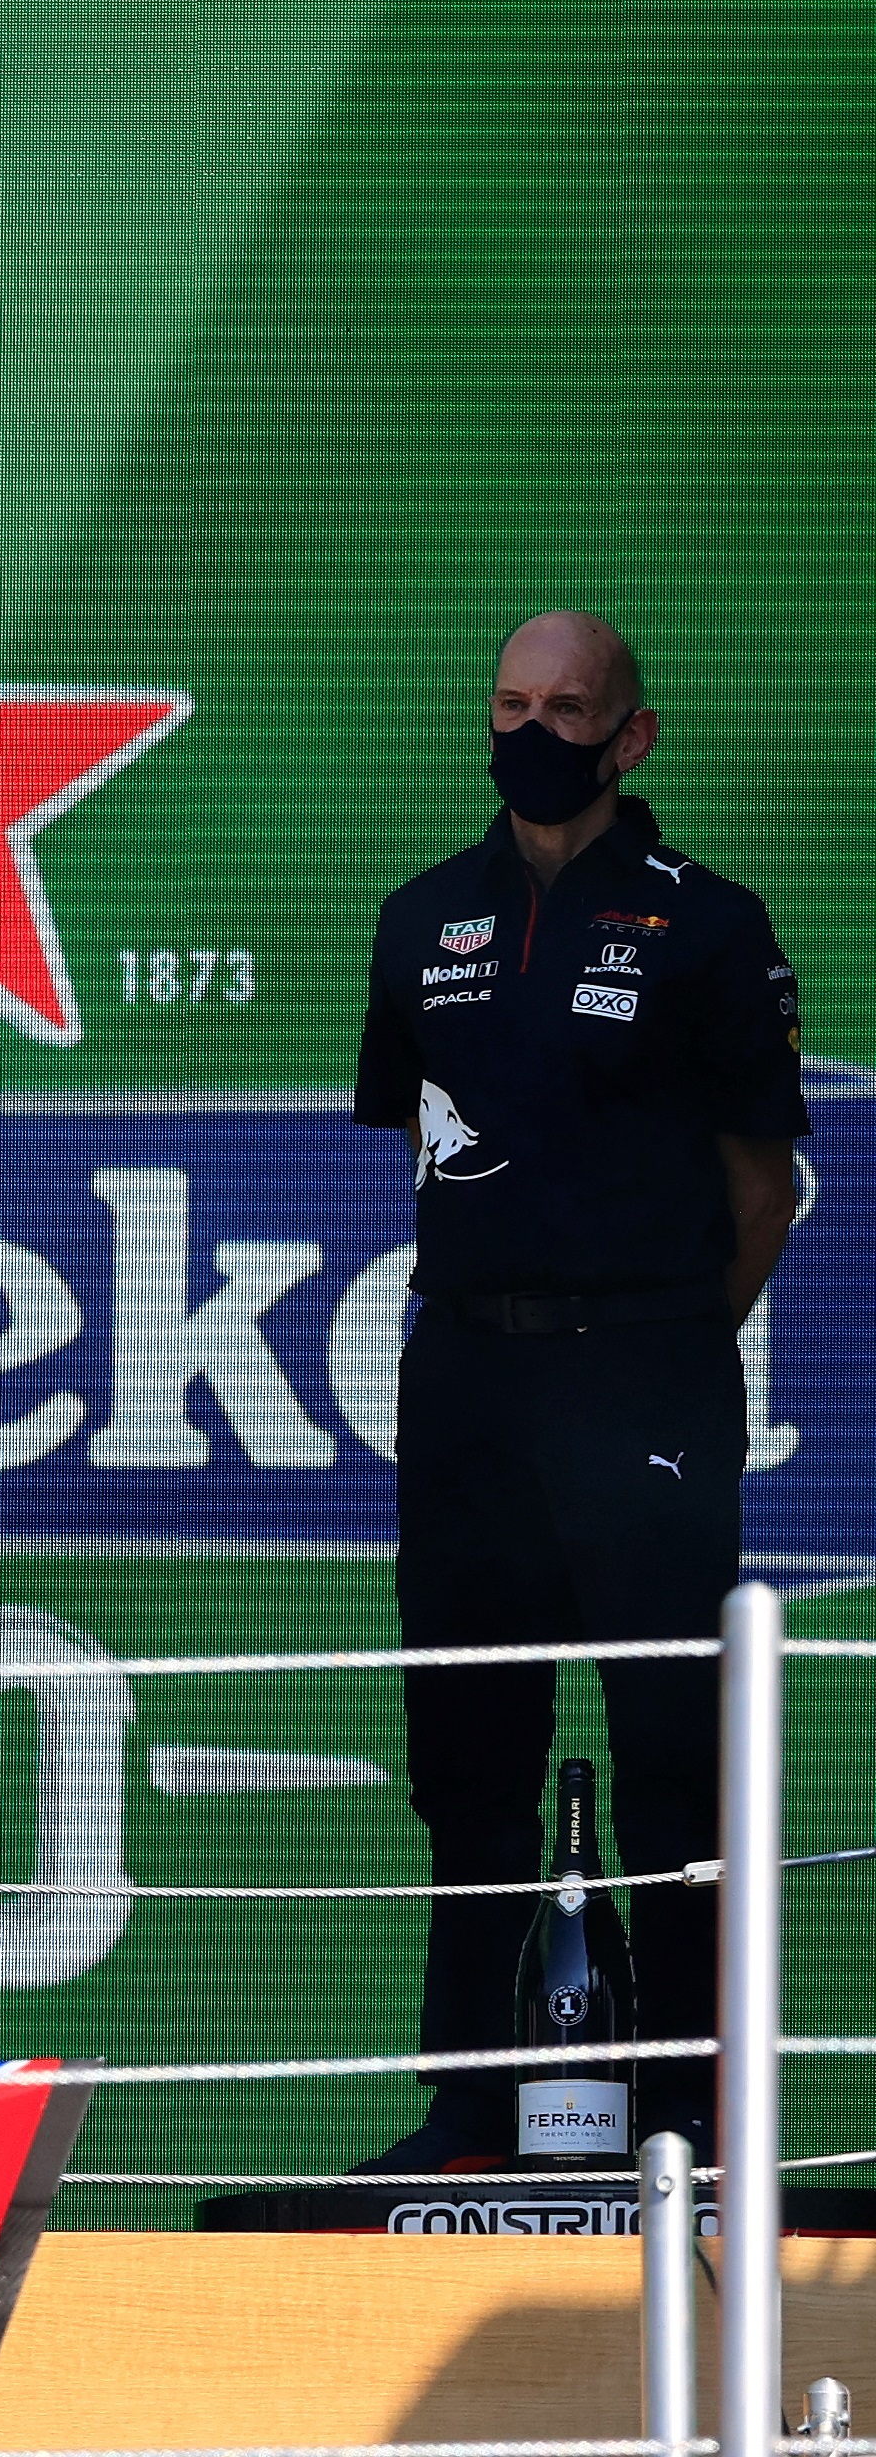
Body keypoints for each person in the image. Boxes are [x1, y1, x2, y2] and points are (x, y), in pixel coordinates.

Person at [352, 611, 803, 2173]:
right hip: (467, 1373)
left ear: (631, 735)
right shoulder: (422, 919)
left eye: (566, 709)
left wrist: (661, 1353)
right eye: (510, 704)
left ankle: (688, 2105)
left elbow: (765, 1192)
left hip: (645, 1372)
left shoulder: (709, 925)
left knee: (675, 1752)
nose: (532, 733)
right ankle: (471, 2105)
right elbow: (425, 1145)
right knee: (467, 1756)